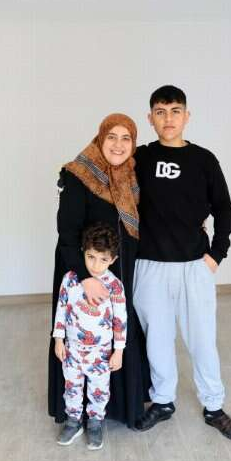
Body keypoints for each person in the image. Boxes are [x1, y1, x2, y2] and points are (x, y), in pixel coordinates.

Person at [133, 85, 231, 441]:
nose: (168, 118)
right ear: (150, 118)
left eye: (175, 111)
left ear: (187, 116)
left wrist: (216, 255)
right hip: (149, 265)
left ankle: (214, 406)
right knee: (157, 339)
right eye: (160, 112)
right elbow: (107, 172)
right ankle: (163, 401)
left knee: (202, 339)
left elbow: (224, 208)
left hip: (195, 265)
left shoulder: (204, 160)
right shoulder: (139, 158)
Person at [48, 113, 151, 430]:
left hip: (119, 271)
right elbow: (67, 235)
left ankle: (118, 406)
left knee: (116, 330)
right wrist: (86, 278)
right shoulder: (78, 175)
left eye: (126, 138)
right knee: (82, 336)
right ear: (100, 138)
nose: (118, 145)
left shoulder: (130, 177)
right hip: (83, 273)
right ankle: (75, 411)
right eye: (111, 137)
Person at [52, 223, 126, 449]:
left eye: (103, 259)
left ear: (112, 260)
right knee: (71, 387)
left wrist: (119, 351)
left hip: (100, 353)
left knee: (99, 389)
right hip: (72, 349)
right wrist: (58, 339)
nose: (95, 265)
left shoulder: (115, 286)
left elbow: (120, 320)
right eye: (91, 257)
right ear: (83, 252)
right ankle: (73, 421)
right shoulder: (70, 279)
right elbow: (61, 309)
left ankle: (95, 422)